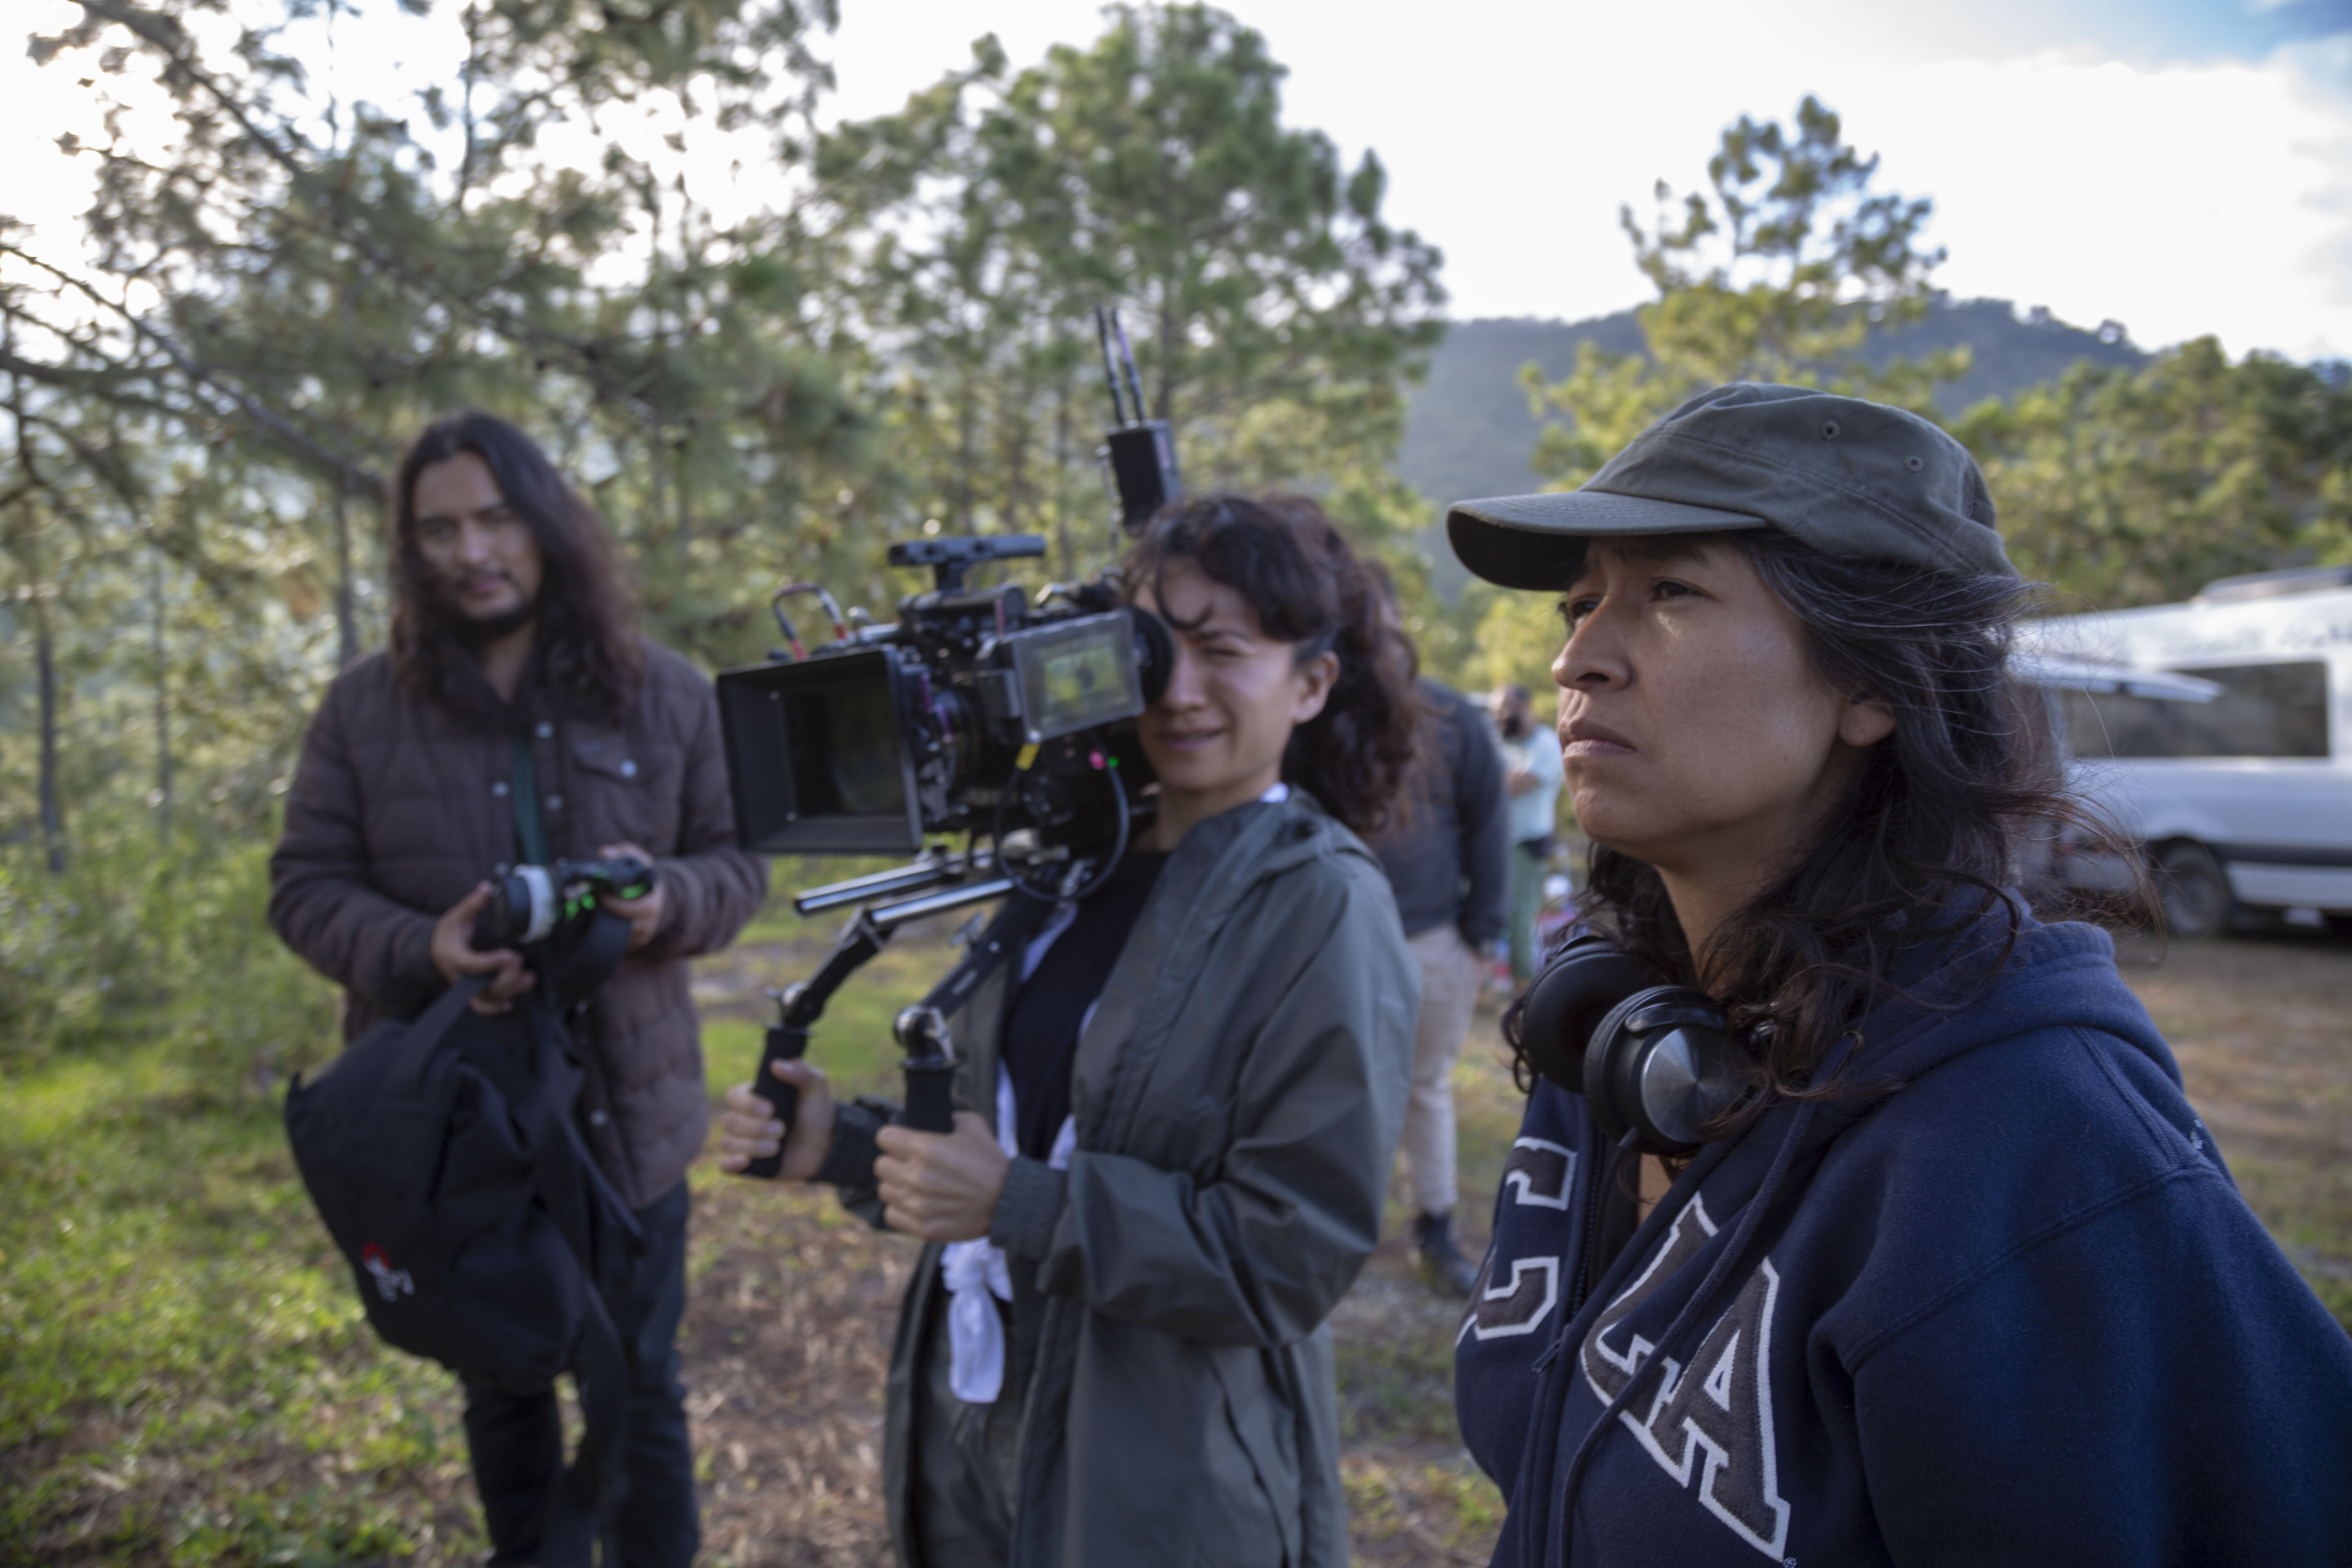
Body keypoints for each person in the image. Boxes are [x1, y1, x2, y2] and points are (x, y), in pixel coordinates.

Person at [1444, 383, 2352, 1566]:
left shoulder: (2038, 1147)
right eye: (1580, 602)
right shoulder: (1613, 1034)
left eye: (1668, 592)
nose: (1578, 656)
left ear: (1874, 684)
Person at [717, 493, 1421, 1568]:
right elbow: (1007, 1126)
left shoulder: (1321, 903)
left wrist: (1022, 1207)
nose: (1178, 693)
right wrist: (843, 1149)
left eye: (1223, 651)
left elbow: (1293, 1256)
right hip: (979, 1433)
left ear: (1312, 682)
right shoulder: (1074, 864)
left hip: (1166, 1472)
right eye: (1149, 649)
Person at [269, 410, 767, 1567]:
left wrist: (666, 905)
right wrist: (420, 950)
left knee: (640, 1386)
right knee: (502, 1391)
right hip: (457, 1131)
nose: (470, 550)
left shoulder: (668, 695)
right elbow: (304, 888)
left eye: (496, 518)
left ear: (547, 524)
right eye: (438, 529)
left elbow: (737, 866)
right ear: (411, 549)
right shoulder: (361, 709)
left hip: (628, 1123)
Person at [1363, 563, 1510, 1296]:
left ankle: (1435, 1229)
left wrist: (1479, 936)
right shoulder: (1316, 724)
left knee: (1425, 1089)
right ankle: (1341, 1224)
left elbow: (1490, 825)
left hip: (1433, 944)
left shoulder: (1451, 719)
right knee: (1336, 1092)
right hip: (1337, 951)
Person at [1492, 684, 1564, 987]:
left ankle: (1525, 991)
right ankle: (1486, 984)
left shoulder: (1546, 745)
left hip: (1527, 844)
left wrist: (1488, 779)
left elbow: (1510, 787)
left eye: (1504, 709)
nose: (1499, 716)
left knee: (1521, 916)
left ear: (1525, 707)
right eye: (1495, 710)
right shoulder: (1502, 742)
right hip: (1496, 842)